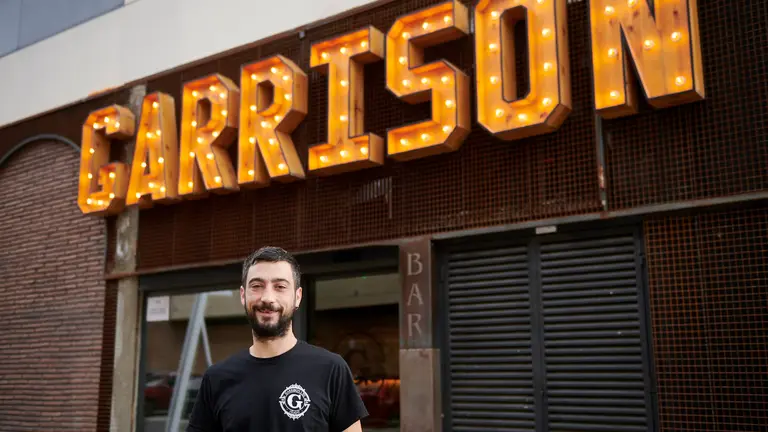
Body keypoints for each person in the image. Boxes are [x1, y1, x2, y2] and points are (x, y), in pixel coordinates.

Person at [186, 246, 368, 431]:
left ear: (297, 297)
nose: (267, 298)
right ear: (243, 295)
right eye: (257, 286)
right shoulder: (216, 379)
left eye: (280, 287)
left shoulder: (331, 371)